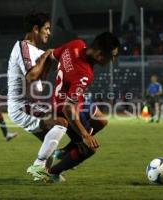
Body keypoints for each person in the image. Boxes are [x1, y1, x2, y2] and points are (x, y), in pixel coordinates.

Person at [32, 32, 119, 183]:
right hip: (64, 108)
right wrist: (85, 135)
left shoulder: (75, 45)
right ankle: (51, 173)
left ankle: (64, 151)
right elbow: (68, 109)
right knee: (89, 148)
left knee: (101, 121)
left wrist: (41, 71)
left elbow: (51, 53)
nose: (113, 60)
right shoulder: (84, 73)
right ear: (99, 54)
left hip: (70, 99)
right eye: (111, 56)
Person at [7, 12, 69, 178]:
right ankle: (38, 166)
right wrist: (43, 59)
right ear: (36, 29)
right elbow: (31, 76)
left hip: (30, 103)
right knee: (61, 122)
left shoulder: (35, 50)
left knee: (51, 137)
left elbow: (39, 82)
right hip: (21, 105)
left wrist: (46, 63)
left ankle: (45, 174)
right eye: (46, 29)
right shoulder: (23, 47)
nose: (49, 32)